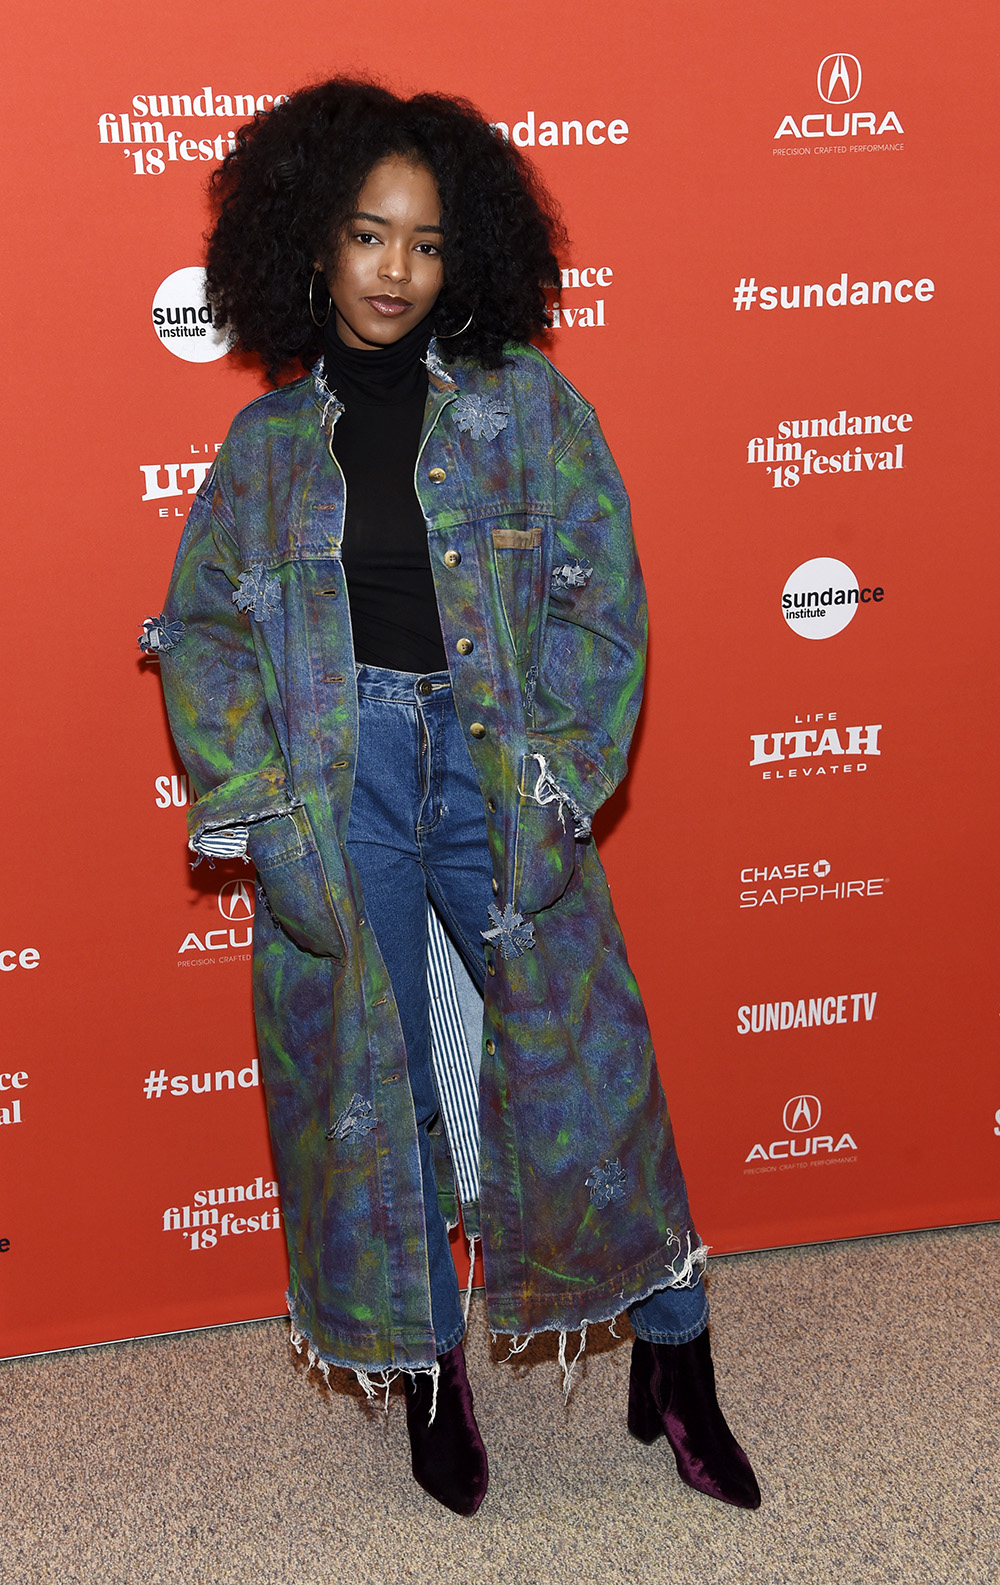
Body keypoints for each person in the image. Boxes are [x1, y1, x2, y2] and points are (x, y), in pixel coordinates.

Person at [143, 78, 760, 1518]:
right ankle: (430, 1369)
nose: (395, 271)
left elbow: (605, 603)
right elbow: (207, 632)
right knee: (382, 1083)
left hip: (496, 767)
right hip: (342, 780)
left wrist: (560, 779)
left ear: (461, 255)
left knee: (588, 1062)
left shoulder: (527, 407)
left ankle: (674, 1356)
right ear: (312, 244)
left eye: (424, 244)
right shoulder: (263, 455)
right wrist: (264, 811)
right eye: (367, 236)